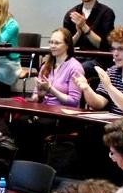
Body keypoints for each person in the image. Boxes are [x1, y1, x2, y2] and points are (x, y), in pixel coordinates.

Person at [10, 28, 85, 162]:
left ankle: (35, 165)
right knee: (18, 123)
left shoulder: (75, 67)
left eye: (57, 43)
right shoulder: (46, 64)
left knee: (35, 128)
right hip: (44, 110)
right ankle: (19, 163)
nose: (52, 46)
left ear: (67, 45)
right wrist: (39, 94)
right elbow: (35, 98)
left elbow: (74, 101)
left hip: (64, 115)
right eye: (51, 42)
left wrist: (51, 89)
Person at [73, 25, 123, 118]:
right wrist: (86, 89)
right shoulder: (113, 70)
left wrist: (109, 87)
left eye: (121, 49)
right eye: (113, 49)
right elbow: (99, 104)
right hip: (117, 127)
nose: (115, 54)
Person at [62, 0, 116, 79]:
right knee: (49, 66)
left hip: (99, 58)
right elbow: (66, 45)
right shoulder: (72, 13)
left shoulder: (106, 13)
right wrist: (78, 33)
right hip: (76, 55)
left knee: (76, 69)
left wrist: (85, 27)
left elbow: (104, 45)